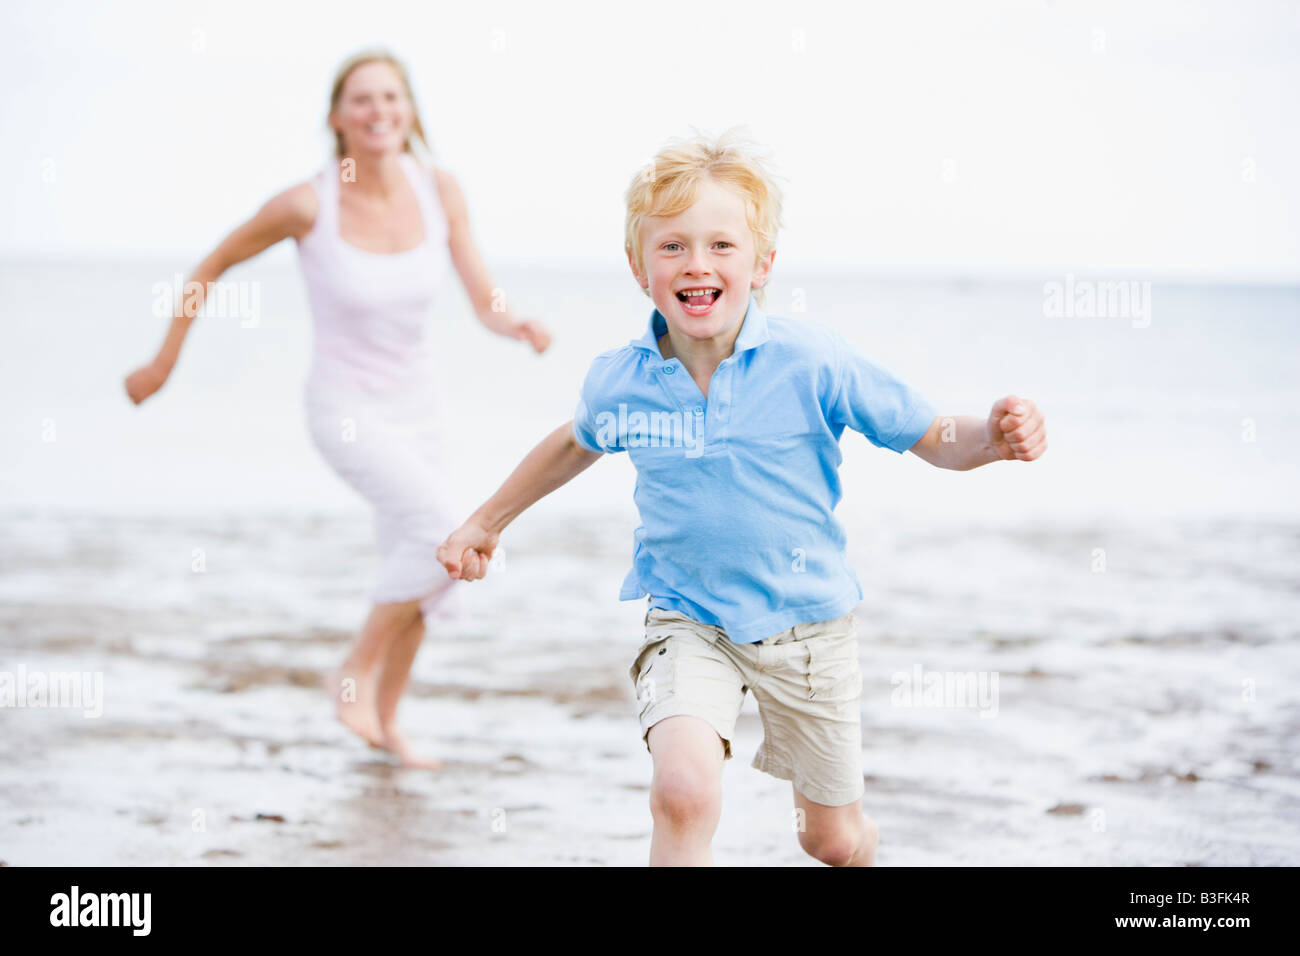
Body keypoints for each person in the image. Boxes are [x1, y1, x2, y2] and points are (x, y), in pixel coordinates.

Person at [435, 130, 1047, 864]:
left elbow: (930, 434)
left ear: (762, 264)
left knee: (831, 839)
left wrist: (995, 437)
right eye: (673, 247)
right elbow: (577, 442)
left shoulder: (812, 361)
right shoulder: (623, 379)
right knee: (683, 793)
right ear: (639, 269)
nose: (698, 264)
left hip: (810, 628)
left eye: (722, 246)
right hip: (689, 621)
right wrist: (484, 522)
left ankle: (860, 844)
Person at [124, 50, 551, 768]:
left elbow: (484, 294)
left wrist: (517, 324)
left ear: (410, 110)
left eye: (391, 97)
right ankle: (351, 672)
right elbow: (211, 267)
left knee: (429, 562)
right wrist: (164, 361)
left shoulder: (438, 188)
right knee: (442, 533)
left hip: (421, 410)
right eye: (362, 100)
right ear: (336, 118)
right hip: (345, 409)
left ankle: (386, 726)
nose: (378, 110)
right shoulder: (308, 203)